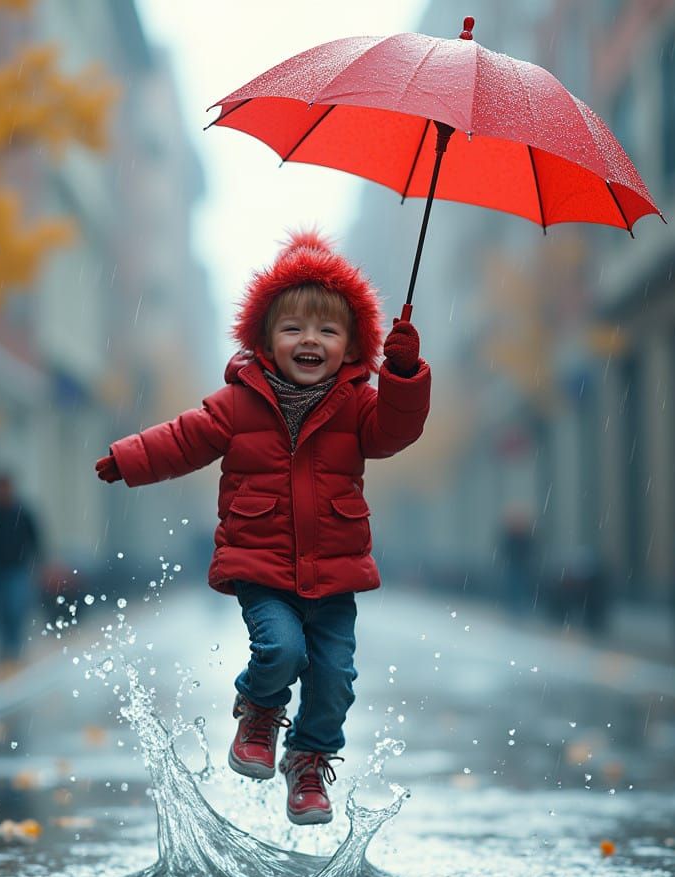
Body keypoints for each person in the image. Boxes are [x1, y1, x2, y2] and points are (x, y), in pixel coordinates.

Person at [94, 231, 431, 825]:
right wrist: (129, 459)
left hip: (334, 571)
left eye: (328, 332)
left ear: (352, 345)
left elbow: (397, 433)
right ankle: (257, 711)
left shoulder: (357, 405)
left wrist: (402, 374)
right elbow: (183, 437)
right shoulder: (238, 401)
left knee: (335, 679)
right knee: (280, 649)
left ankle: (307, 760)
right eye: (294, 329)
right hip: (264, 565)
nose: (311, 341)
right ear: (266, 340)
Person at [0, 471, 41, 662]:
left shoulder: (22, 512)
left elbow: (35, 540)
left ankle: (14, 645)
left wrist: (38, 564)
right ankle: (5, 646)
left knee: (15, 608)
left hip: (17, 569)